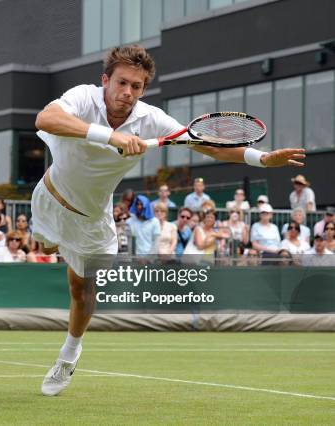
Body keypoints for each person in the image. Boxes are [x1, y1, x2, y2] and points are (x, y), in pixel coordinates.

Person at [30, 44, 305, 396]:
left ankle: (69, 353)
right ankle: (52, 242)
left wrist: (262, 159)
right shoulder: (83, 98)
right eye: (122, 83)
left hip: (92, 220)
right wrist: (111, 136)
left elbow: (208, 144)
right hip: (49, 199)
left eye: (137, 86)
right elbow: (46, 119)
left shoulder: (152, 120)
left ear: (144, 90)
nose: (127, 92)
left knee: (82, 289)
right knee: (46, 244)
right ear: (105, 80)